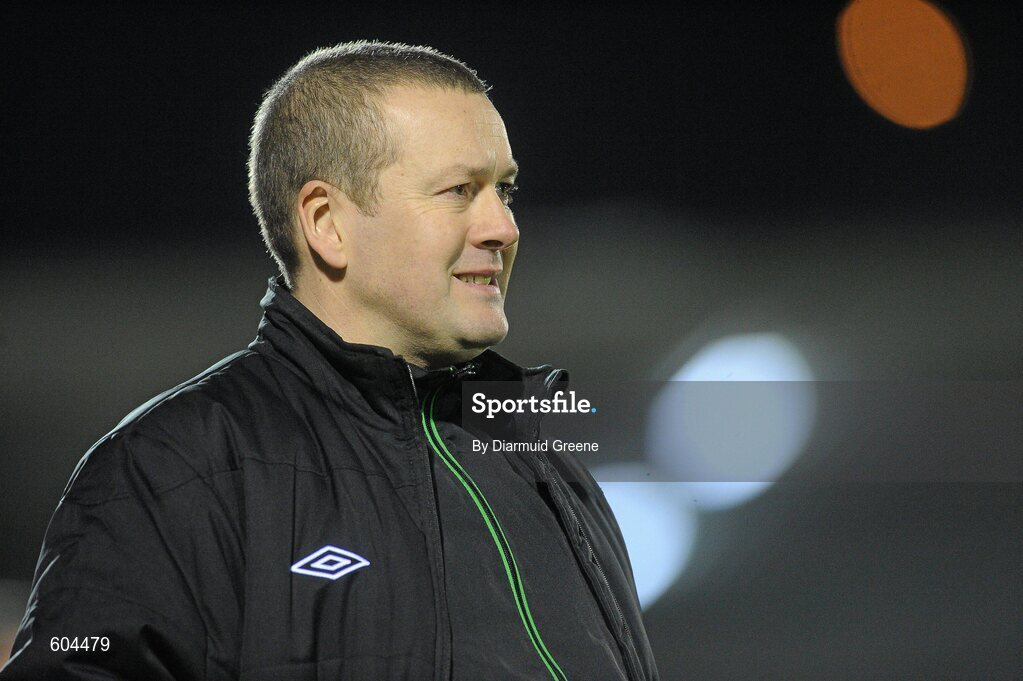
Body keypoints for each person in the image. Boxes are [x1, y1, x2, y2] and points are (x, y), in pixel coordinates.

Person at [0, 41, 659, 681]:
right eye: (460, 191)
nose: (502, 227)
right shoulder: (167, 472)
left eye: (504, 191)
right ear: (326, 222)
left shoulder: (548, 468)